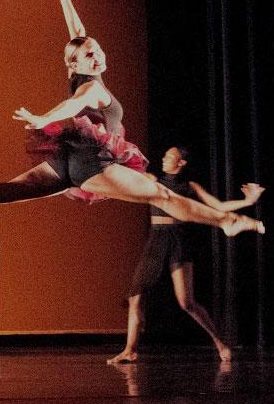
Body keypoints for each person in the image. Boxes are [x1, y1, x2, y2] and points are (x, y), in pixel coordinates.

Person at [0, 0, 261, 239]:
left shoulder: (82, 71)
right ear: (76, 65)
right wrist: (43, 116)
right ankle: (226, 221)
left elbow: (78, 36)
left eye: (98, 50)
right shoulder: (89, 88)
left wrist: (65, 0)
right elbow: (70, 105)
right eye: (91, 55)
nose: (98, 55)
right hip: (93, 164)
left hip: (66, 162)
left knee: (9, 191)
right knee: (160, 194)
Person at [107, 147, 263, 364]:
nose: (163, 159)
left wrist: (247, 202)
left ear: (181, 163)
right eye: (164, 156)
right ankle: (130, 350)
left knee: (186, 302)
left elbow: (219, 206)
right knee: (135, 297)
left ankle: (220, 343)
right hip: (156, 240)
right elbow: (126, 180)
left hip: (179, 241)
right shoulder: (153, 180)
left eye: (169, 157)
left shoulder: (190, 187)